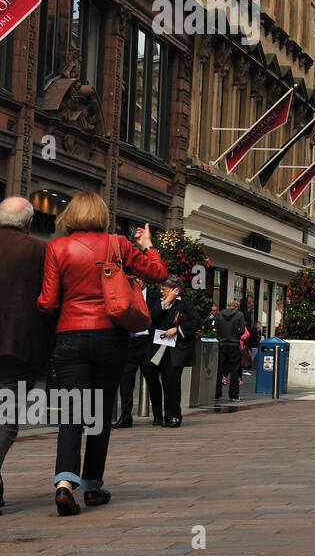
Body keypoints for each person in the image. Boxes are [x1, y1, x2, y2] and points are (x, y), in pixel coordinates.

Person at [37, 192, 167, 515]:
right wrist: (148, 244)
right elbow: (158, 274)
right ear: (101, 214)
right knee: (99, 411)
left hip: (69, 336)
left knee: (71, 411)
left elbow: (48, 302)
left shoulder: (56, 248)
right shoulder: (118, 244)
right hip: (110, 337)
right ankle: (93, 486)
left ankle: (65, 483)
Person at [0, 197, 53, 514]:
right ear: (30, 223)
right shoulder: (41, 251)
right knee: (5, 419)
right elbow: (49, 300)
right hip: (18, 346)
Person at [151, 275, 201, 427]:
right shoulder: (162, 302)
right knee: (165, 382)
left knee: (172, 382)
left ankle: (175, 416)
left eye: (164, 289)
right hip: (161, 348)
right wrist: (165, 302)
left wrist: (177, 330)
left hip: (177, 349)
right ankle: (166, 415)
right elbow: (151, 318)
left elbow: (196, 321)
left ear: (175, 290)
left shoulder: (185, 302)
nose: (161, 292)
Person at [112, 280, 163, 428]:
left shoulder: (154, 295)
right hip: (129, 341)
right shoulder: (124, 294)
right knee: (126, 380)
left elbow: (157, 315)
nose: (138, 281)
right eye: (134, 278)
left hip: (147, 342)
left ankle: (158, 415)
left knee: (151, 378)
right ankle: (126, 416)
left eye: (140, 278)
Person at [213, 298, 247, 402]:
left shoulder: (219, 314)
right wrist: (236, 335)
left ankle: (217, 393)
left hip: (222, 343)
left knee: (220, 369)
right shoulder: (240, 315)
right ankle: (233, 395)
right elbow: (242, 331)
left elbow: (216, 328)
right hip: (234, 344)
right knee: (234, 370)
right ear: (236, 307)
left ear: (228, 306)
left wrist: (222, 335)